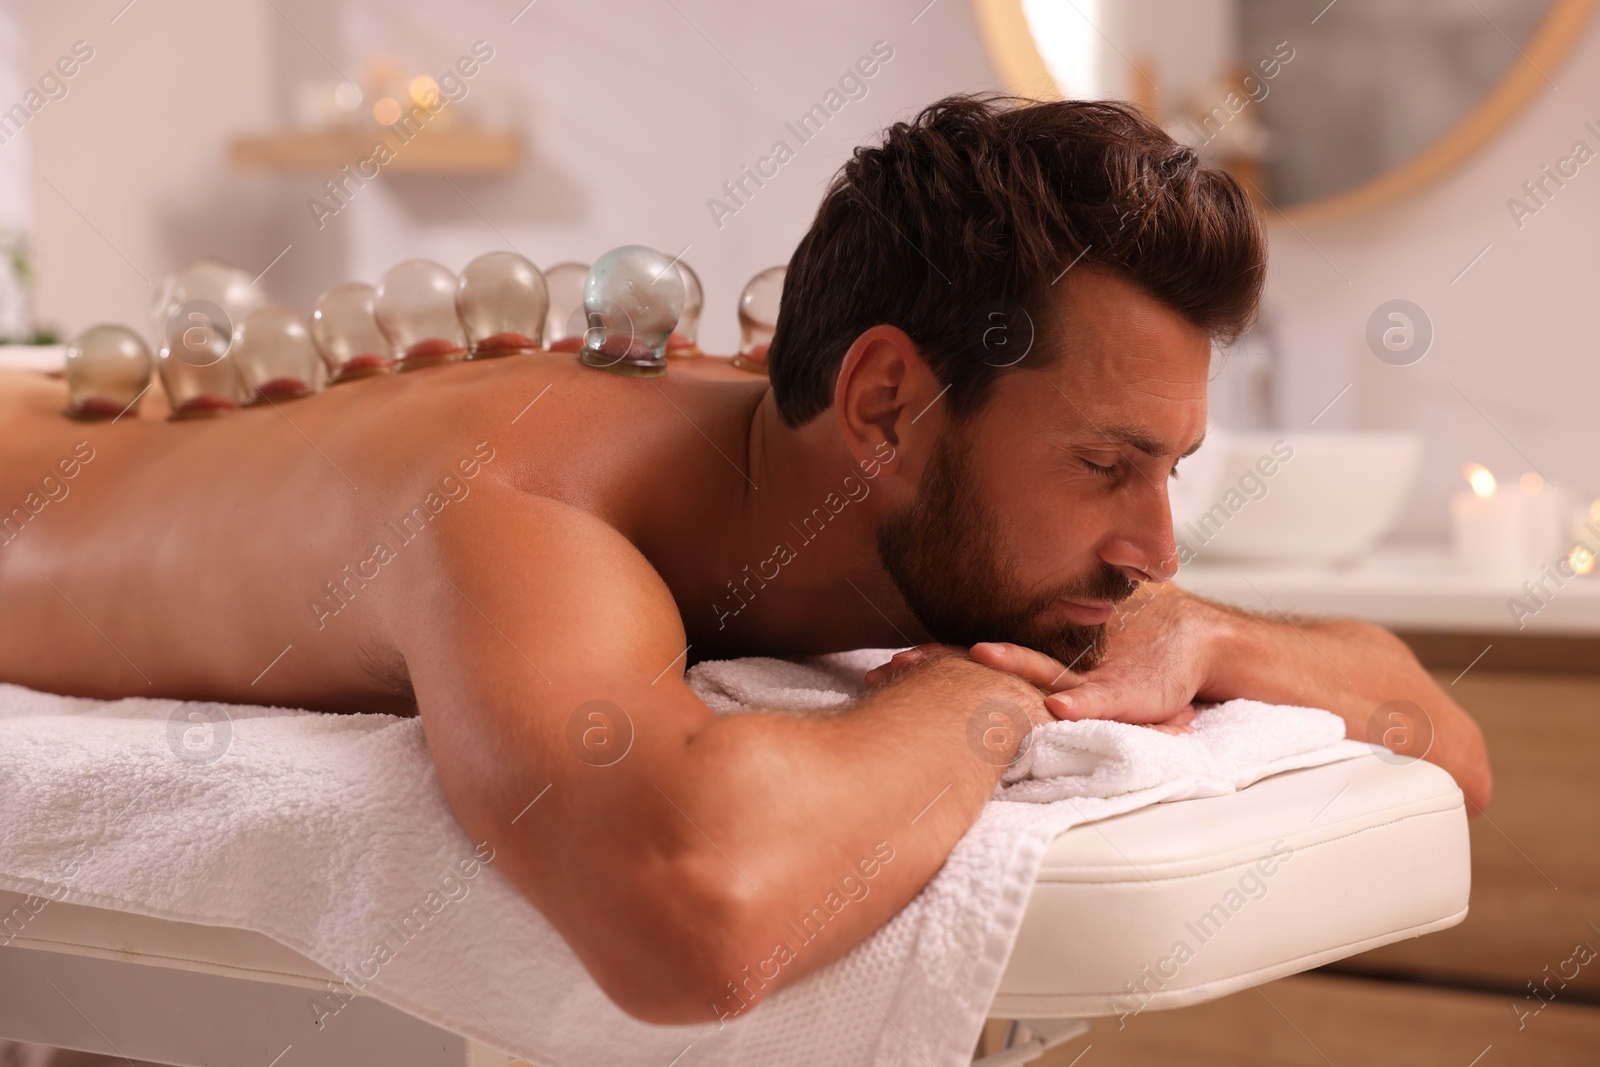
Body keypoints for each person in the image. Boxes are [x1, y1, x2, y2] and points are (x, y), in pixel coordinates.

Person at [0, 94, 1489, 1026]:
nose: (1153, 545)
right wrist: (967, 701)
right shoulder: (519, 507)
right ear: (887, 402)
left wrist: (1212, 638)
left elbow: (1455, 750)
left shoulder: (849, 448)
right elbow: (688, 922)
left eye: (1171, 470)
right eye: (1107, 465)